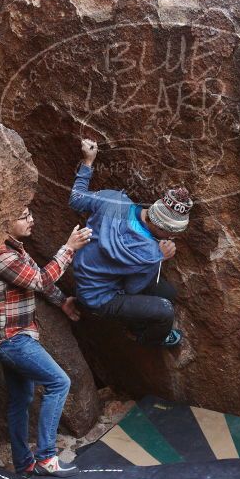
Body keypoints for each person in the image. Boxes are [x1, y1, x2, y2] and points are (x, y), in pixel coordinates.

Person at [0, 206, 92, 478]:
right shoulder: (2, 256)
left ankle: (24, 464)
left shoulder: (15, 248)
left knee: (21, 398)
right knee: (59, 382)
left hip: (12, 337)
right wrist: (69, 248)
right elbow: (40, 280)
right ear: (6, 222)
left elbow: (34, 278)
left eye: (31, 214)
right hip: (11, 339)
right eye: (24, 216)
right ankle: (46, 458)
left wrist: (62, 301)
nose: (32, 220)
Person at [68, 138, 192, 347]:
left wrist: (88, 162)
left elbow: (76, 198)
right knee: (164, 310)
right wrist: (159, 258)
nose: (172, 238)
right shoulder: (150, 253)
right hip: (101, 299)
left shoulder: (114, 200)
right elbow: (133, 288)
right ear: (160, 226)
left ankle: (134, 321)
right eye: (171, 233)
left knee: (168, 293)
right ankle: (145, 339)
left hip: (84, 275)